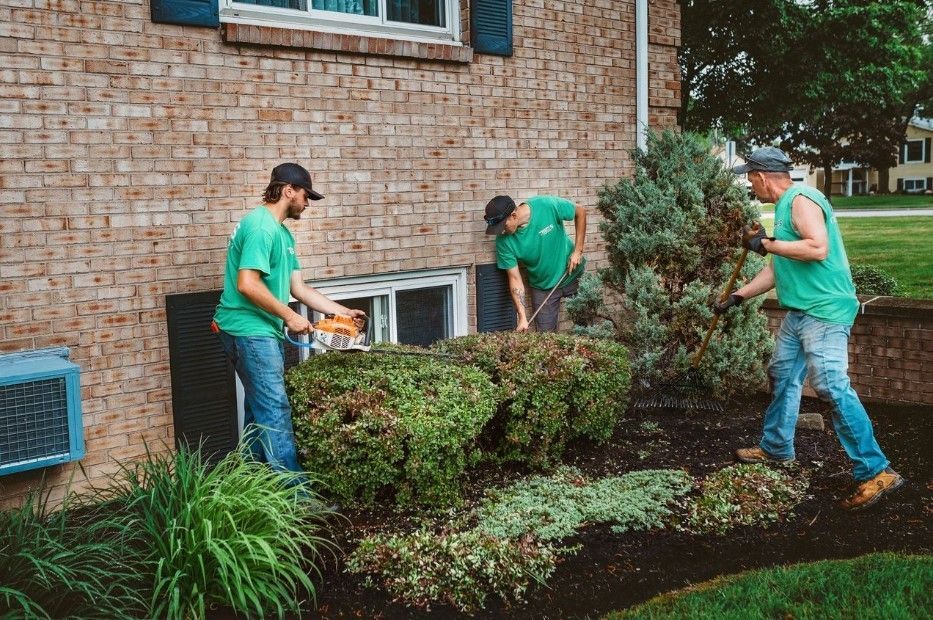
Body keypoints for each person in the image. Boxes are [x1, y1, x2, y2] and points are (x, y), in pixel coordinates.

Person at [717, 146, 902, 511]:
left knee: (831, 384)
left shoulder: (802, 198)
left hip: (825, 311)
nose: (750, 186)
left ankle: (876, 470)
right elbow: (779, 268)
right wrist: (738, 296)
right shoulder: (784, 211)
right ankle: (776, 448)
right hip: (800, 313)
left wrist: (766, 243)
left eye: (751, 179)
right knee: (783, 373)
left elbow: (817, 248)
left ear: (762, 176)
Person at [213, 162, 365, 476]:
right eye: (305, 195)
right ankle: (296, 498)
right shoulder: (260, 227)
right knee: (275, 410)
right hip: (247, 329)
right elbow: (247, 283)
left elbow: (298, 287)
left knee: (258, 411)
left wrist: (340, 312)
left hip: (259, 329)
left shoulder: (281, 233)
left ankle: (252, 485)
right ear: (288, 190)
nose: (307, 203)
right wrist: (290, 317)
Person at [484, 195, 587, 332]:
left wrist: (578, 250)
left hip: (571, 273)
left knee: (586, 329)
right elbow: (515, 278)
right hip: (542, 286)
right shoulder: (503, 241)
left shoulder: (546, 205)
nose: (501, 231)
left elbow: (580, 212)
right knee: (545, 337)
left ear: (513, 215)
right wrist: (522, 316)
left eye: (503, 226)